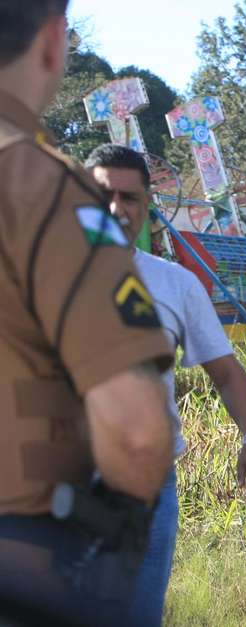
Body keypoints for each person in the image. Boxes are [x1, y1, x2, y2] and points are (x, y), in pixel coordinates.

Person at [0, 2, 175, 624]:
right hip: (26, 562)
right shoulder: (44, 188)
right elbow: (136, 426)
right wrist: (110, 553)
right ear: (53, 43)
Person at [84, 144, 246, 625]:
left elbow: (227, 373)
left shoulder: (175, 286)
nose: (116, 208)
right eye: (103, 194)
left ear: (147, 206)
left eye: (129, 198)